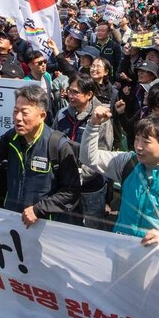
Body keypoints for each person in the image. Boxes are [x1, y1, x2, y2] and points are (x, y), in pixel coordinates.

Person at [0, 84, 80, 318]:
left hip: (47, 229)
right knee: (20, 272)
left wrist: (40, 209)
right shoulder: (11, 137)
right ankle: (24, 317)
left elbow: (72, 191)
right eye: (15, 111)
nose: (18, 118)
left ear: (42, 115)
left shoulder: (57, 144)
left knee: (46, 279)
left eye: (25, 112)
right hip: (16, 223)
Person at [81, 109, 159, 239]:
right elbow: (89, 158)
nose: (138, 146)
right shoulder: (127, 163)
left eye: (146, 142)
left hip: (158, 255)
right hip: (120, 250)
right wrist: (93, 125)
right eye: (137, 139)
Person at [53, 74, 112, 229]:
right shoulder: (62, 114)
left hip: (91, 188)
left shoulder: (101, 119)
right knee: (68, 228)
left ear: (89, 95)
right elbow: (53, 143)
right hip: (65, 187)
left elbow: (103, 153)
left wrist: (80, 176)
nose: (70, 96)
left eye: (76, 93)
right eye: (69, 91)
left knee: (92, 231)